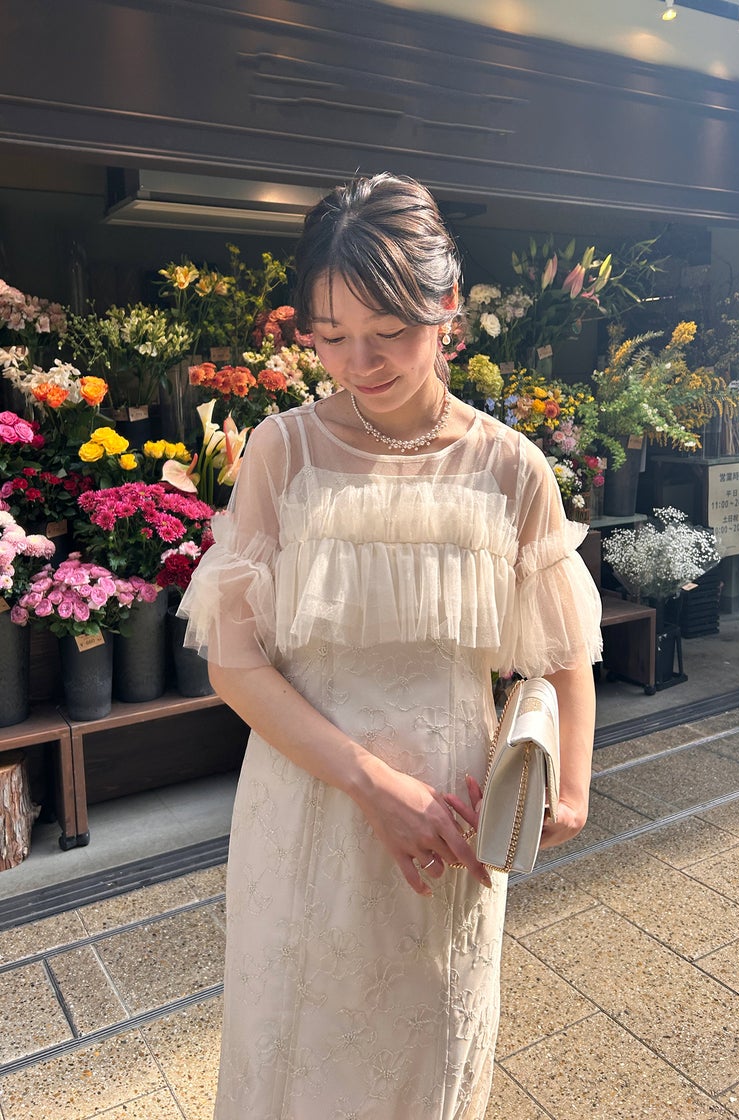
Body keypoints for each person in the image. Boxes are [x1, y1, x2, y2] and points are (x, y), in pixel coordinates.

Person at [180, 172, 602, 1120]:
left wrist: (569, 790)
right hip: (311, 798)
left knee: (428, 1054)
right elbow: (234, 663)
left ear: (448, 309)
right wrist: (373, 785)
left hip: (454, 816)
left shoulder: (510, 465)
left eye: (390, 331)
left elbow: (562, 654)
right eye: (331, 336)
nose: (359, 361)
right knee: (293, 1049)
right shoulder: (283, 451)